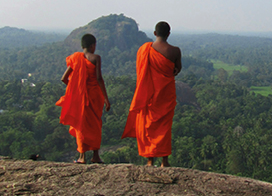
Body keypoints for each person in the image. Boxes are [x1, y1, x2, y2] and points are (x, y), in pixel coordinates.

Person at [122, 21, 181, 167]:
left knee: (148, 126)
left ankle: (150, 161)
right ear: (169, 34)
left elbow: (141, 72)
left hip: (148, 95)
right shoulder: (175, 51)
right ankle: (164, 161)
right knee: (164, 128)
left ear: (155, 33)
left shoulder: (144, 49)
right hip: (165, 95)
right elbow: (177, 69)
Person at [56, 34, 111, 164]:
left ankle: (82, 157)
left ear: (82, 46)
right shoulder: (96, 58)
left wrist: (76, 89)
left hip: (80, 98)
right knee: (96, 125)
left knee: (81, 126)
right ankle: (96, 155)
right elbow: (99, 79)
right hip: (95, 96)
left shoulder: (75, 59)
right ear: (93, 46)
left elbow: (64, 78)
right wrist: (106, 99)